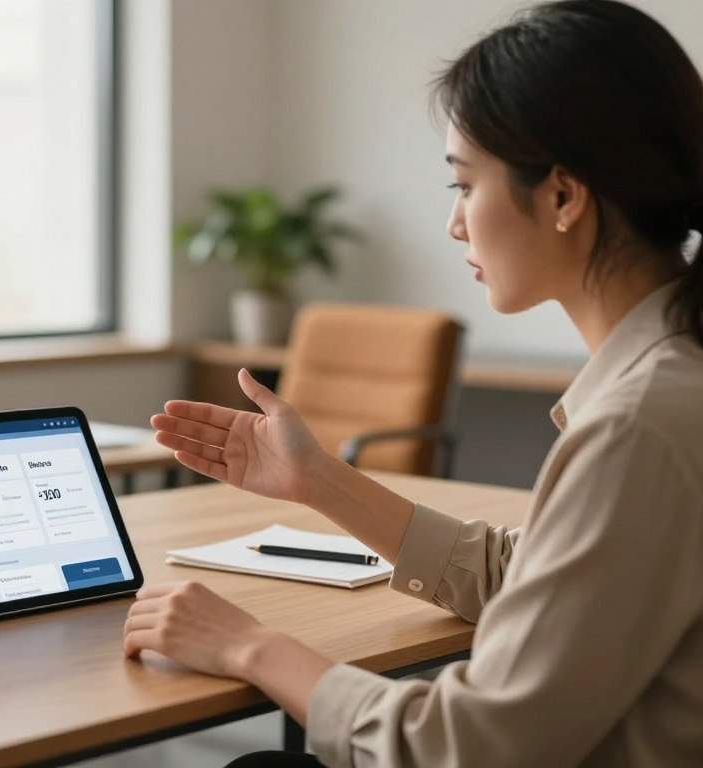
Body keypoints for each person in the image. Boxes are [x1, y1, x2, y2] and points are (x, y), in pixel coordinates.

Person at [122, 1, 703, 765]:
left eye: (465, 185)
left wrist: (251, 647)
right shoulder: (668, 382)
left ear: (563, 197)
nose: (455, 224)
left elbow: (470, 745)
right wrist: (320, 480)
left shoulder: (641, 425)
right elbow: (522, 574)